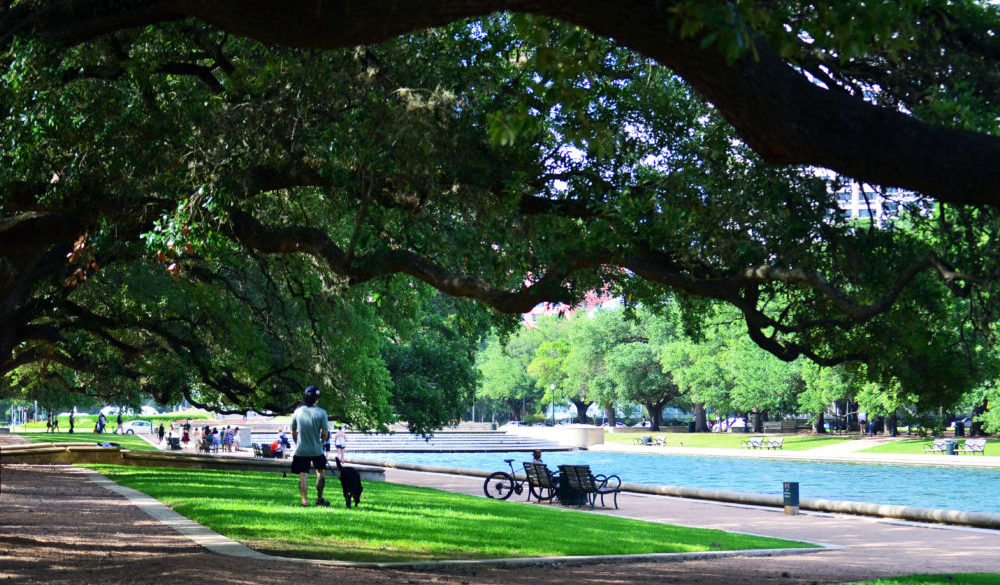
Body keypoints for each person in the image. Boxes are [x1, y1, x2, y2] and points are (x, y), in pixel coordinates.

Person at [290, 385, 331, 507]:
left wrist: (297, 442)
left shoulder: (297, 412)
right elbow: (324, 432)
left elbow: (293, 431)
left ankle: (304, 501)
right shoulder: (322, 413)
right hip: (317, 449)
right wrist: (322, 442)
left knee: (303, 475)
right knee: (320, 472)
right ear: (316, 399)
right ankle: (319, 498)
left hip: (301, 449)